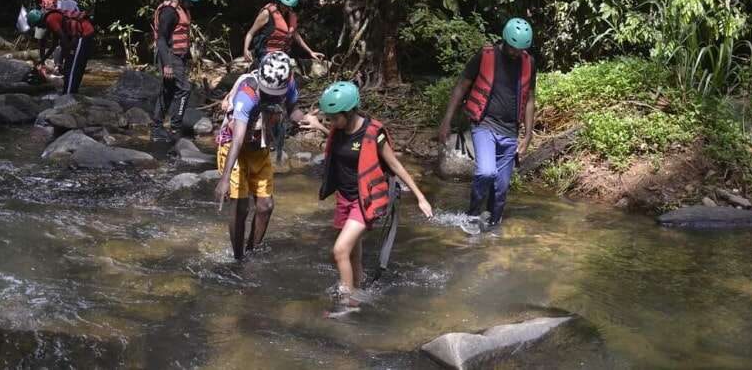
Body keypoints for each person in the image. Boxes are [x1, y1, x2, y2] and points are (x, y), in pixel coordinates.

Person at [300, 81, 433, 309]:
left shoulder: (373, 134)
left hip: (365, 201)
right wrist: (317, 124)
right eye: (329, 118)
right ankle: (359, 290)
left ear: (349, 112)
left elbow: (396, 166)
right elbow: (338, 142)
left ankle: (348, 302)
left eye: (334, 118)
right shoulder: (339, 129)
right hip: (345, 197)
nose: (331, 122)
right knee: (352, 253)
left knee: (340, 250)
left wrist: (420, 197)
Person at [438, 18, 537, 233]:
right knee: (486, 172)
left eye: (521, 49)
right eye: (513, 48)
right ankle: (472, 215)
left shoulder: (529, 63)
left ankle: (493, 230)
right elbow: (460, 88)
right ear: (505, 40)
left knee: (501, 188)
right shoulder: (485, 57)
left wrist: (528, 135)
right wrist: (447, 120)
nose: (516, 53)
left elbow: (529, 99)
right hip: (484, 125)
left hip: (510, 131)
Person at [213, 51, 309, 260]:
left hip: (259, 146)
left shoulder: (288, 82)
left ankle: (251, 252)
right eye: (268, 92)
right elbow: (237, 139)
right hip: (234, 146)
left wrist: (307, 119)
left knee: (266, 206)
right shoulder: (248, 92)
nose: (271, 97)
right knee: (241, 208)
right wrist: (224, 178)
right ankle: (238, 260)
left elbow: (293, 110)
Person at [151, 0, 202, 143]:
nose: (191, 5)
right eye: (189, 2)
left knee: (169, 90)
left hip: (178, 56)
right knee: (184, 89)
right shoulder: (169, 12)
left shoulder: (182, 9)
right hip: (169, 56)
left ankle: (157, 128)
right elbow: (161, 40)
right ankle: (174, 128)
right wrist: (167, 64)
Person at [242, 0, 324, 64]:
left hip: (282, 54)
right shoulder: (266, 13)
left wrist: (310, 52)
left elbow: (295, 35)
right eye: (284, 5)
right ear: (278, 1)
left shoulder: (290, 15)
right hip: (266, 53)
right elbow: (250, 32)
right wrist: (246, 49)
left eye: (288, 6)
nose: (286, 8)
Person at [28, 7, 96, 94]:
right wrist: (42, 61)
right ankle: (72, 92)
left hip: (83, 34)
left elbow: (64, 40)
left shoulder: (50, 19)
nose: (39, 27)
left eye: (38, 25)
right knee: (73, 67)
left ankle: (68, 94)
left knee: (72, 68)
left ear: (39, 22)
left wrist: (63, 60)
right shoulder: (51, 20)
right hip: (83, 34)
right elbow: (54, 45)